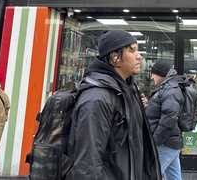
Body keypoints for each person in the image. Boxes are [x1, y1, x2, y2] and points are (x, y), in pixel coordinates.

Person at [65, 30, 161, 180]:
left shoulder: (129, 90)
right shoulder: (97, 99)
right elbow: (87, 164)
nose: (139, 56)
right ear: (115, 58)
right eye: (132, 50)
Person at [144, 61, 184, 180]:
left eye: (153, 74)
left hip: (165, 143)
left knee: (151, 174)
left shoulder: (170, 89)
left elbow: (169, 117)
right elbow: (164, 111)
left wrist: (155, 140)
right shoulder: (168, 87)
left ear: (160, 74)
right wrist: (148, 105)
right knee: (173, 176)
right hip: (171, 141)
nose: (151, 77)